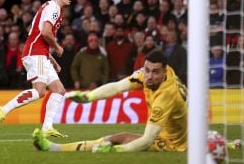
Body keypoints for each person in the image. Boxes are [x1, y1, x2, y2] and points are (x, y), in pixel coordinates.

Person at [34, 49, 188, 152]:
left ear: (164, 72)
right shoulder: (152, 74)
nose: (149, 76)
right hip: (171, 133)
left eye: (155, 72)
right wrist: (89, 96)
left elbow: (148, 140)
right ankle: (54, 147)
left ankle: (53, 148)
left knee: (116, 140)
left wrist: (116, 151)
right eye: (147, 70)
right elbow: (117, 87)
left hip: (172, 144)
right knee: (115, 138)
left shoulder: (166, 96)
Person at [0, 0, 74, 137]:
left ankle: (47, 127)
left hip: (39, 53)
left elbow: (38, 37)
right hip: (35, 54)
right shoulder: (54, 8)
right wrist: (57, 47)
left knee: (59, 90)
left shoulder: (49, 7)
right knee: (40, 91)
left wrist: (53, 60)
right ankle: (2, 110)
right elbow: (45, 32)